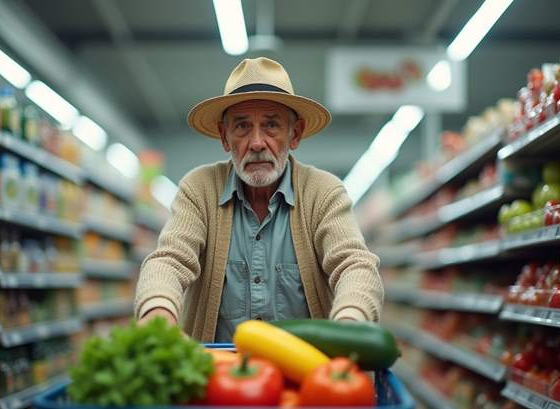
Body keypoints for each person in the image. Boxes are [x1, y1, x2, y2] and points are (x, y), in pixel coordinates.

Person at [135, 57, 383, 342]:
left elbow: (354, 263)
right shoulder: (199, 189)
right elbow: (170, 259)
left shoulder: (324, 192)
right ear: (225, 137)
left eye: (271, 125)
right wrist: (158, 312)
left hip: (305, 373)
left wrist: (349, 321)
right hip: (219, 373)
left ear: (295, 134)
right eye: (241, 126)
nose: (256, 143)